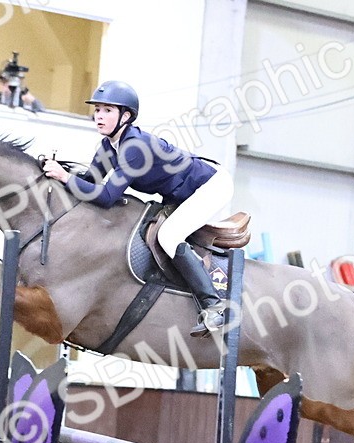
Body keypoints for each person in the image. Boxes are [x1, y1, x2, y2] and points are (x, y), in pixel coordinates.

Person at [41, 80, 232, 337]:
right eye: (97, 110)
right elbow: (91, 182)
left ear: (126, 116)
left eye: (107, 110)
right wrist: (60, 173)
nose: (99, 116)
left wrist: (65, 178)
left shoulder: (133, 147)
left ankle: (214, 306)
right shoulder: (109, 146)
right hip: (181, 192)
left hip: (210, 186)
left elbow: (108, 196)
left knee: (168, 236)